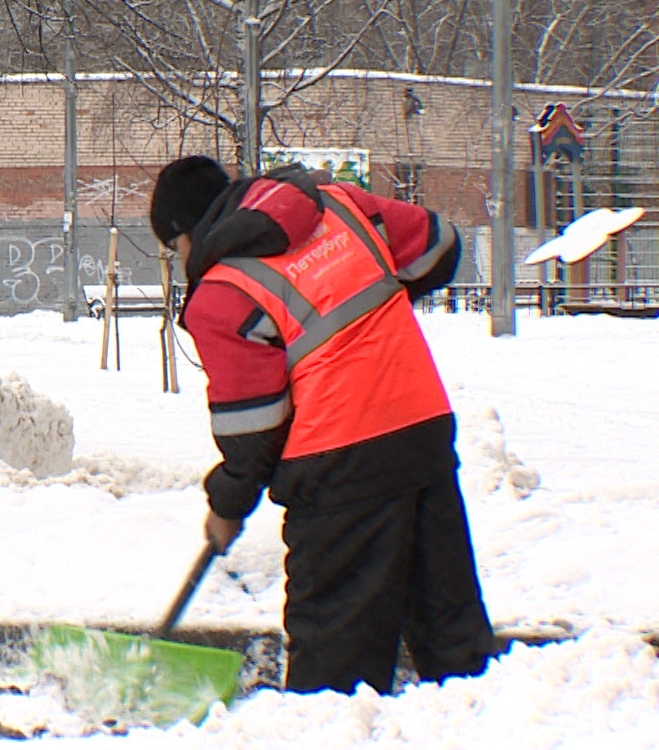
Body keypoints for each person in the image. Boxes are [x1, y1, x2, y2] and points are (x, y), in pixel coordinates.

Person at [148, 156, 492, 695]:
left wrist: (226, 506)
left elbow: (253, 431)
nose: (180, 259)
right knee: (451, 629)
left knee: (336, 662)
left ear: (187, 233)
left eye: (174, 248)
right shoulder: (338, 204)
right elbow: (440, 245)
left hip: (338, 466)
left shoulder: (221, 294)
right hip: (421, 428)